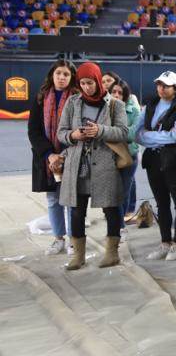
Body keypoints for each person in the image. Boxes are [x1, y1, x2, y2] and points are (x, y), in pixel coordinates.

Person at [57, 62, 129, 270]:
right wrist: (73, 135)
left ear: (98, 81)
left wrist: (100, 130)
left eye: (90, 83)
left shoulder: (115, 104)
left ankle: (112, 254)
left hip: (105, 165)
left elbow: (123, 133)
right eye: (82, 83)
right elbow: (61, 133)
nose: (86, 87)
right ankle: (78, 256)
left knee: (111, 209)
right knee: (76, 211)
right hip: (78, 165)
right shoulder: (72, 102)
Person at [137, 71, 176, 261]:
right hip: (153, 160)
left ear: (175, 88)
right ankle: (165, 242)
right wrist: (159, 138)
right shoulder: (150, 105)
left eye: (166, 86)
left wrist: (149, 136)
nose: (161, 88)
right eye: (159, 84)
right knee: (161, 203)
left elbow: (175, 136)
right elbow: (137, 134)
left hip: (173, 161)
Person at [27, 59, 76, 255]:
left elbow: (78, 129)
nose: (62, 77)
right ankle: (58, 239)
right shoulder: (41, 98)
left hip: (71, 156)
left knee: (72, 201)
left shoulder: (77, 98)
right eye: (58, 73)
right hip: (48, 159)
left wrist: (63, 155)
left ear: (71, 77)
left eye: (66, 74)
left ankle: (74, 241)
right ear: (52, 75)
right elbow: (33, 131)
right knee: (53, 200)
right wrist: (50, 155)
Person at [109, 79, 141, 228]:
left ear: (126, 95)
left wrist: (109, 133)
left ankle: (120, 227)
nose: (116, 95)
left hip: (128, 156)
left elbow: (132, 134)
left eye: (120, 93)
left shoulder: (134, 110)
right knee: (110, 194)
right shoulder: (103, 109)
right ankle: (114, 226)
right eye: (113, 92)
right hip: (108, 157)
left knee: (123, 193)